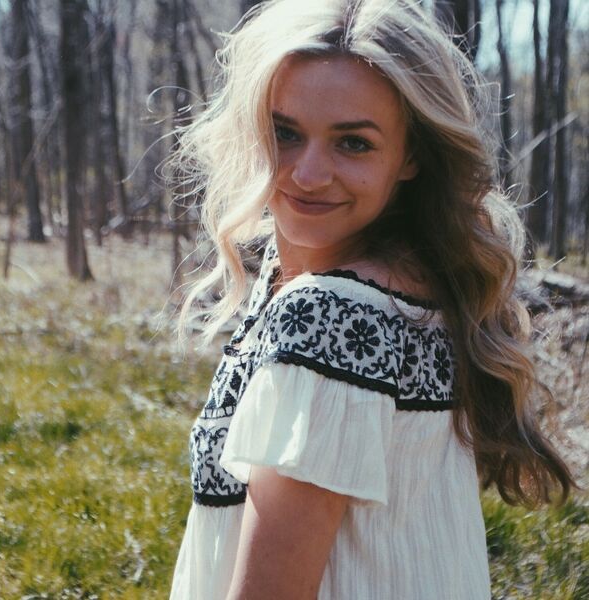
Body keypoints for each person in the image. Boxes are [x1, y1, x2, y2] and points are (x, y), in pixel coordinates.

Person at [168, 1, 577, 598]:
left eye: (353, 143)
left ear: (411, 156)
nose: (308, 174)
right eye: (285, 133)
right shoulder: (418, 286)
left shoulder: (332, 316)